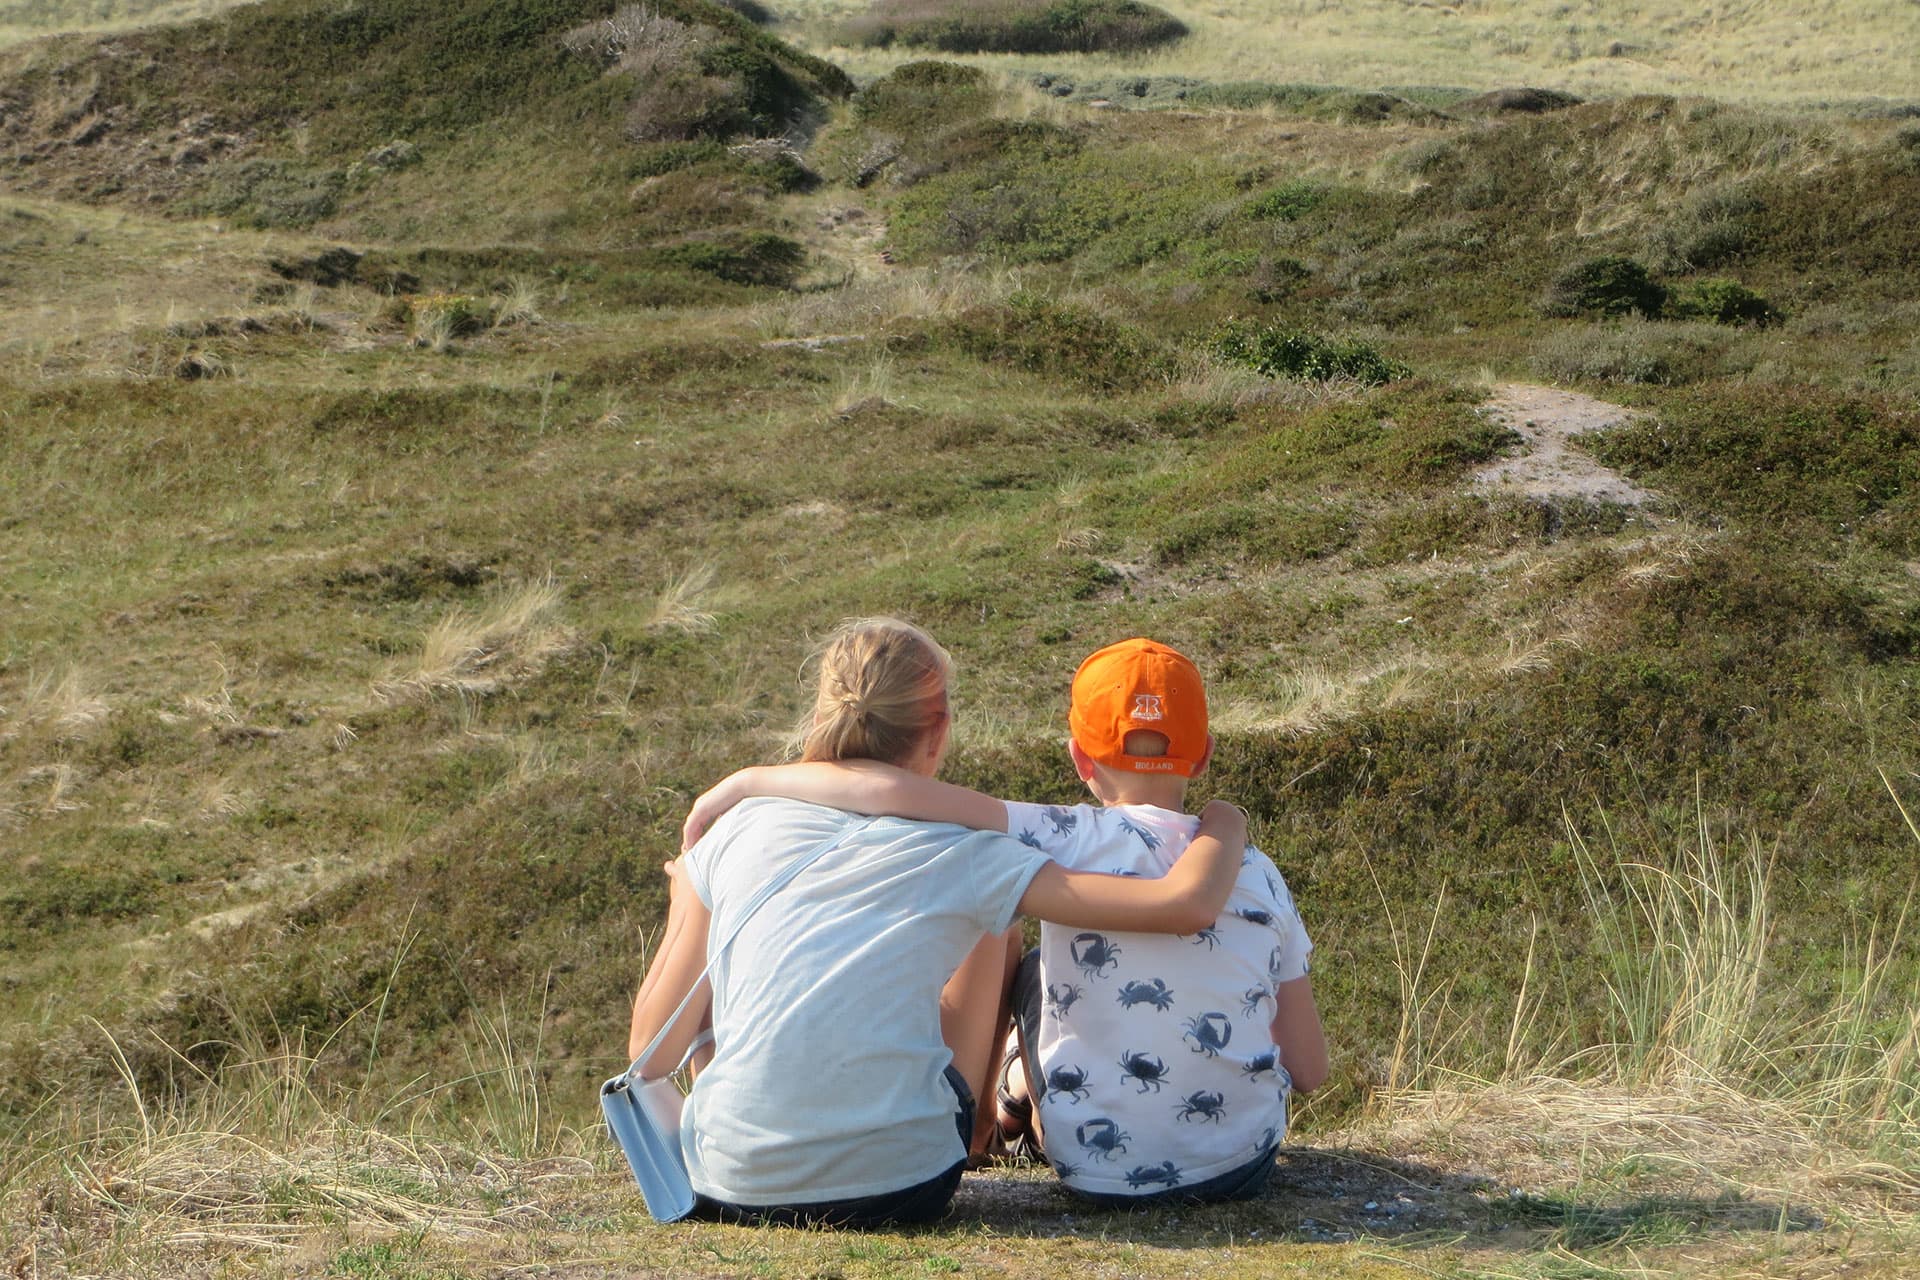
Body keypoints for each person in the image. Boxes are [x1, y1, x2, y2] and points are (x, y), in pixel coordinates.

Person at [628, 619, 1251, 1227]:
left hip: (728, 1184)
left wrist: (689, 892)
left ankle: (757, 1134)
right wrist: (1225, 819)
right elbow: (1175, 906)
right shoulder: (964, 850)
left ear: (822, 716)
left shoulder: (735, 832)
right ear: (939, 729)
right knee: (995, 922)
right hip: (903, 1186)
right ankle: (980, 1131)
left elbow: (649, 1054)